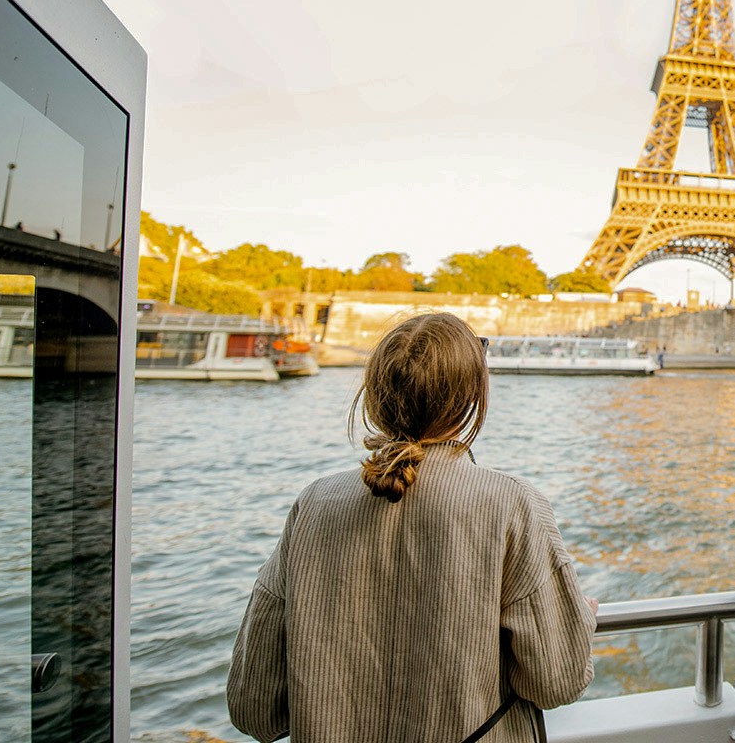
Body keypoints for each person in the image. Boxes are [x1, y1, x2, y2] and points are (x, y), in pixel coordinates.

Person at [227, 312, 596, 743]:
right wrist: (578, 621)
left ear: (375, 395)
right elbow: (557, 682)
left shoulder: (313, 504)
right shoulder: (512, 504)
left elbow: (255, 710)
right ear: (472, 397)